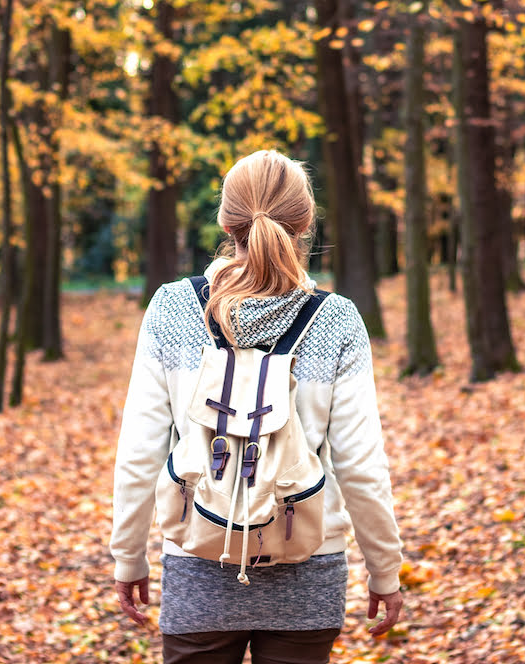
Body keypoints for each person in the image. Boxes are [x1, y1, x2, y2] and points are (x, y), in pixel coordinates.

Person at [110, 150, 404, 664]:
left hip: (198, 555)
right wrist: (385, 568)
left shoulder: (172, 309)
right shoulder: (337, 321)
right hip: (307, 562)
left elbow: (140, 450)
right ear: (305, 223)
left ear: (227, 223)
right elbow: (361, 465)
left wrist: (128, 555)